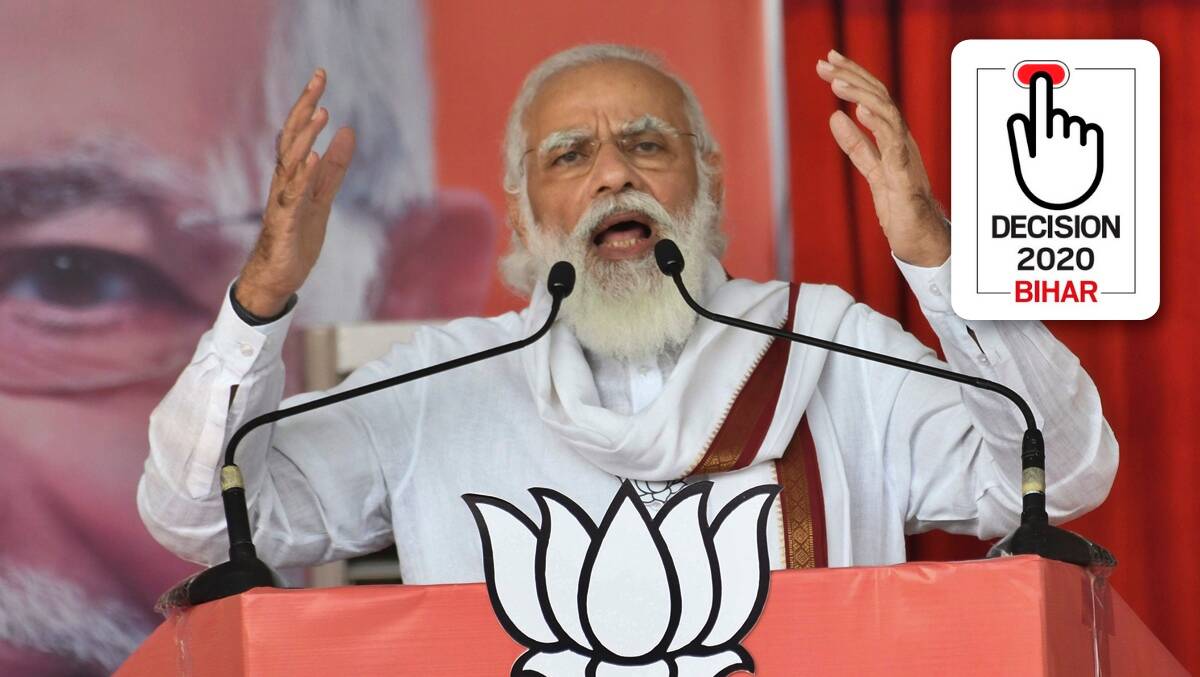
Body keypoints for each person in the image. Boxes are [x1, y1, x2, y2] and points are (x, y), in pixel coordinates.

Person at [140, 44, 1117, 587]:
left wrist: (935, 256)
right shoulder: (441, 379)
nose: (614, 172)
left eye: (647, 144)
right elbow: (200, 520)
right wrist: (260, 298)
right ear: (522, 206)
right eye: (570, 155)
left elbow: (1063, 473)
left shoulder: (831, 346)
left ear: (706, 177)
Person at [0, 1, 495, 674]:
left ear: (400, 285)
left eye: (72, 277)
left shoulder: (470, 388)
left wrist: (259, 295)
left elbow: (201, 518)